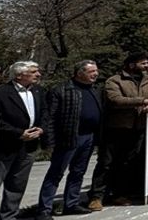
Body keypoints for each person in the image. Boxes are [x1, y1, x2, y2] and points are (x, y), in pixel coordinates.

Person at [0, 61, 45, 220]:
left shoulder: (38, 91)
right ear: (19, 75)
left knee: (17, 185)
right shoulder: (0, 93)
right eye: (33, 72)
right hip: (4, 147)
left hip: (29, 146)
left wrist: (41, 129)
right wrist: (19, 133)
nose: (38, 74)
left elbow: (45, 113)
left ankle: (9, 215)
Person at [88, 52, 148, 209]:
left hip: (138, 128)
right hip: (116, 128)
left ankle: (119, 194)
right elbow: (116, 100)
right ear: (132, 65)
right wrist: (143, 101)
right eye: (143, 63)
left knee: (127, 163)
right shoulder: (114, 80)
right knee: (106, 163)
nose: (147, 66)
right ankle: (96, 196)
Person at [36, 61, 102, 220]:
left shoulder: (94, 90)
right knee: (55, 173)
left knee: (78, 172)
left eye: (96, 71)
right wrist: (48, 141)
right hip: (68, 138)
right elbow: (50, 117)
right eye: (91, 71)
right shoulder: (62, 90)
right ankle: (44, 209)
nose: (95, 74)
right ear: (79, 73)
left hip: (89, 137)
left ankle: (71, 203)